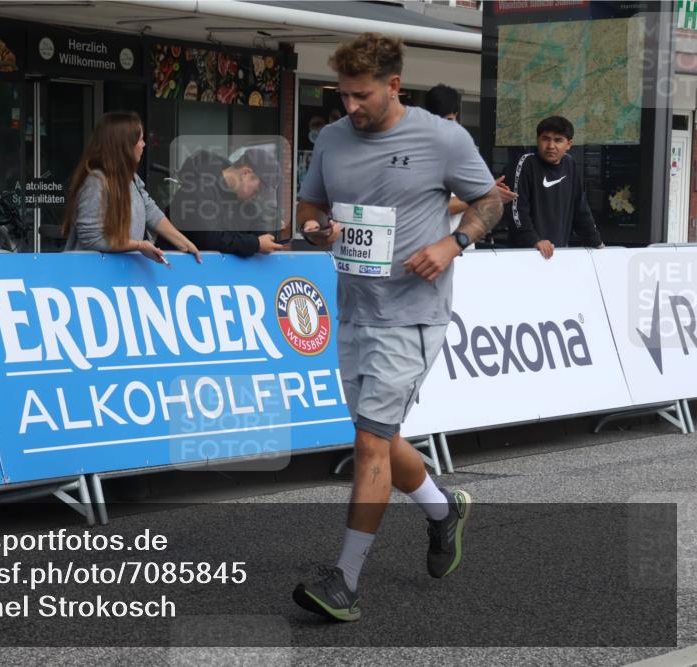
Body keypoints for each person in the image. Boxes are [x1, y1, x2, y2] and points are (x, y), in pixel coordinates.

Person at [293, 34, 503, 622]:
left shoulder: (442, 137)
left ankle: (345, 580)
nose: (350, 107)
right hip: (354, 306)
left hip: (412, 313)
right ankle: (442, 511)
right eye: (343, 96)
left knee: (367, 443)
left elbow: (490, 202)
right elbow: (309, 209)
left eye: (361, 96)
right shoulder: (331, 140)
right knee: (377, 435)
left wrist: (453, 243)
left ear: (393, 86)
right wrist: (314, 232)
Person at [64, 111, 201, 265]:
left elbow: (152, 213)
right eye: (140, 139)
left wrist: (185, 243)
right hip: (91, 279)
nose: (144, 144)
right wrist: (139, 245)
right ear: (125, 145)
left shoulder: (132, 179)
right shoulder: (96, 181)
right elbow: (92, 238)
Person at [504, 115, 604, 259]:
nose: (551, 146)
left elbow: (580, 209)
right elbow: (516, 210)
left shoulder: (570, 164)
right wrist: (534, 240)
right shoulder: (525, 163)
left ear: (569, 144)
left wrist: (597, 242)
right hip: (525, 254)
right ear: (538, 140)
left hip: (559, 254)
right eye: (546, 139)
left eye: (558, 140)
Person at [423, 83, 517, 235]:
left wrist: (488, 191)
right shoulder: (419, 154)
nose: (444, 128)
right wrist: (484, 196)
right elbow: (435, 207)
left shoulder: (462, 149)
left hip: (461, 246)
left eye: (449, 120)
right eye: (440, 121)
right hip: (431, 248)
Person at [162, 147, 287, 257]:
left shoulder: (247, 203)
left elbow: (260, 233)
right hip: (175, 273)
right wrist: (255, 244)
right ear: (246, 173)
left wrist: (270, 236)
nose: (257, 196)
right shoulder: (197, 188)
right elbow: (209, 239)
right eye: (257, 191)